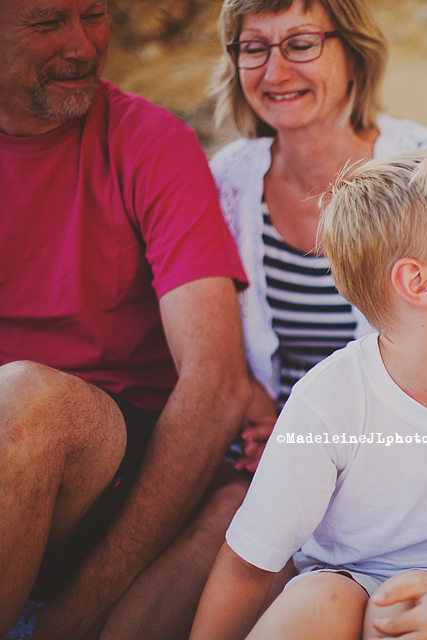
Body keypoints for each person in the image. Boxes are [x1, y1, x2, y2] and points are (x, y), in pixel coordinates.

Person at [189, 133, 427, 640]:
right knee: (320, 601)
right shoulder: (327, 402)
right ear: (419, 285)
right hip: (337, 586)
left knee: (406, 617)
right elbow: (250, 563)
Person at [0, 1, 252, 639]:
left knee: (27, 399)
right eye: (48, 22)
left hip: (113, 469)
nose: (82, 46)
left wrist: (74, 618)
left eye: (94, 16)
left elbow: (215, 384)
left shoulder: (150, 142)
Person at [208, 0, 427, 472]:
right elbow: (218, 346)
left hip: (403, 457)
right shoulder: (227, 180)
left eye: (301, 44)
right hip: (265, 452)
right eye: (255, 49)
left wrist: (309, 441)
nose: (275, 73)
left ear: (355, 57)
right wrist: (269, 426)